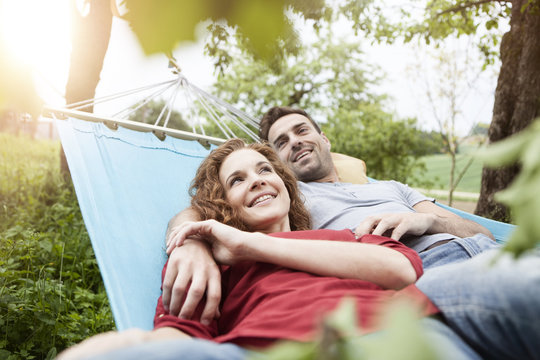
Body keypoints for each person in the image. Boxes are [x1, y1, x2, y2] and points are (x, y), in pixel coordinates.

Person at [164, 107, 540, 359]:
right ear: (283, 167)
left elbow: (482, 233)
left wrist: (425, 220)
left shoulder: (392, 188)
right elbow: (202, 210)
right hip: (423, 274)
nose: (295, 141)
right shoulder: (289, 198)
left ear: (324, 139)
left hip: (475, 250)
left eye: (301, 131)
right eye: (281, 143)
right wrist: (190, 241)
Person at [58, 139, 461, 359]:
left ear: (286, 185)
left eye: (265, 170)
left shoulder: (346, 235)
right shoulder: (212, 260)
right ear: (221, 205)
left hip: (392, 338)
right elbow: (180, 334)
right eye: (237, 180)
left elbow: (402, 271)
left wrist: (253, 245)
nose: (256, 180)